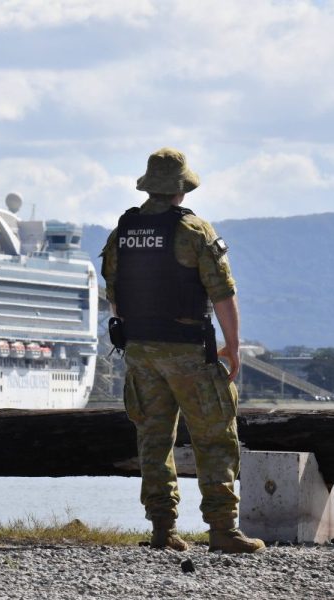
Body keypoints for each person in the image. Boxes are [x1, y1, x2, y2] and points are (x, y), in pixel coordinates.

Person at [100, 147, 265, 554]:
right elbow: (223, 294)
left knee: (153, 439)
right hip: (188, 351)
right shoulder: (194, 232)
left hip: (139, 351)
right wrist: (233, 346)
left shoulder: (122, 232)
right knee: (214, 437)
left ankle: (162, 529)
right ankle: (223, 530)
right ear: (181, 190)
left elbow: (115, 298)